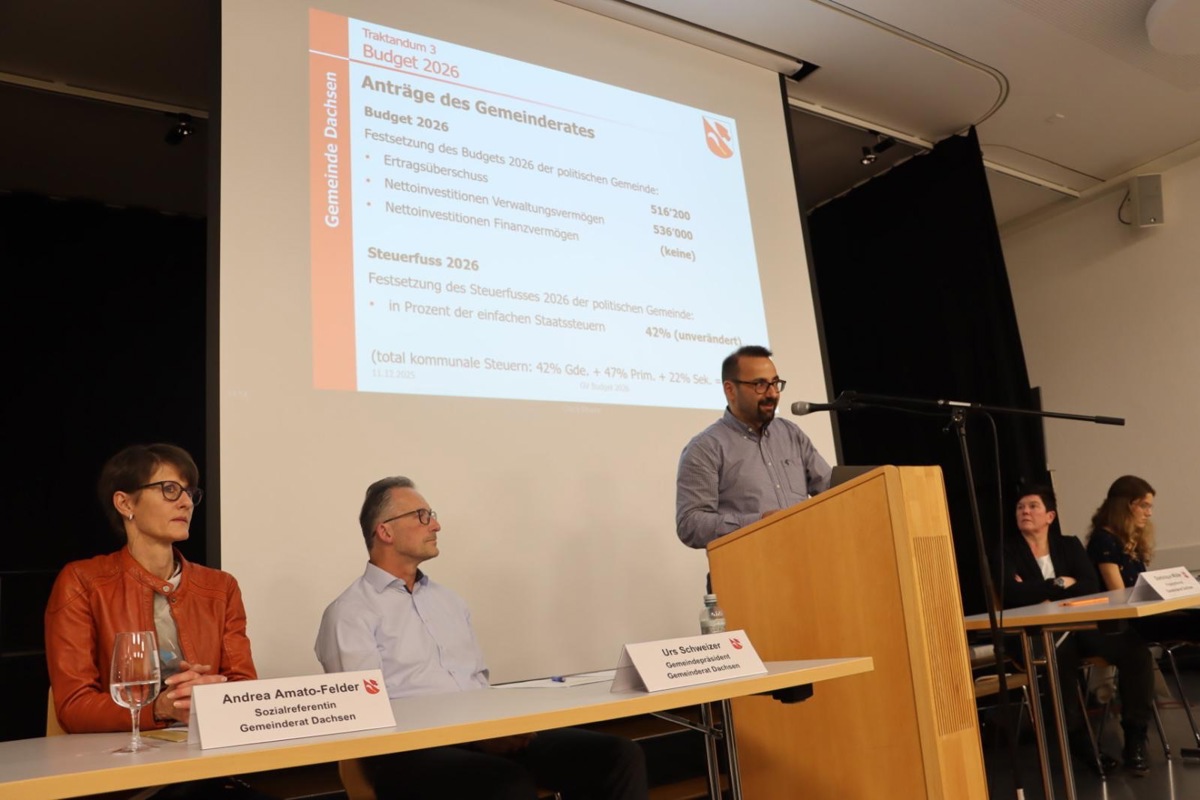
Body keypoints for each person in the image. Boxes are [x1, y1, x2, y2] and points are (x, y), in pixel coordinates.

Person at [314, 476, 648, 800]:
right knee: (504, 783)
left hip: (482, 733)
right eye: (422, 516)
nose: (435, 525)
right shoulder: (349, 613)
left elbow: (477, 684)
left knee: (617, 755)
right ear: (384, 531)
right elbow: (366, 718)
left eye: (432, 516)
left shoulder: (449, 602)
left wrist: (493, 729)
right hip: (407, 753)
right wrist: (475, 735)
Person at [45, 443, 257, 734]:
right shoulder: (82, 581)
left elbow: (244, 689)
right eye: (170, 489)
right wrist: (161, 708)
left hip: (203, 753)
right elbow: (74, 706)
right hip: (117, 760)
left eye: (189, 493)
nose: (186, 502)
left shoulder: (221, 587)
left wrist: (212, 693)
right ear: (125, 504)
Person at [996, 485, 1155, 776]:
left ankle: (1135, 738)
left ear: (1050, 516)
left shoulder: (1068, 545)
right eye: (1020, 508)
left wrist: (1040, 591)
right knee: (1059, 663)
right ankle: (1083, 746)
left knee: (1137, 653)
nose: (1025, 512)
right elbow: (1011, 595)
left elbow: (1088, 586)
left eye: (1032, 506)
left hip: (1082, 627)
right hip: (1037, 634)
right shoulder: (1006, 551)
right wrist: (1059, 584)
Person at [675, 345, 831, 549]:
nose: (772, 393)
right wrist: (758, 522)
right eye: (760, 384)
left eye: (775, 383)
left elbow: (830, 488)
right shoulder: (705, 448)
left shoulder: (791, 434)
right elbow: (690, 524)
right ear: (730, 390)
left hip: (804, 561)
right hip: (748, 571)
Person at [1086, 475, 1196, 644]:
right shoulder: (1103, 541)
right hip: (1128, 623)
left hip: (1143, 614)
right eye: (1144, 506)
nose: (1149, 513)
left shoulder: (1129, 539)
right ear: (1125, 506)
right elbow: (1119, 594)